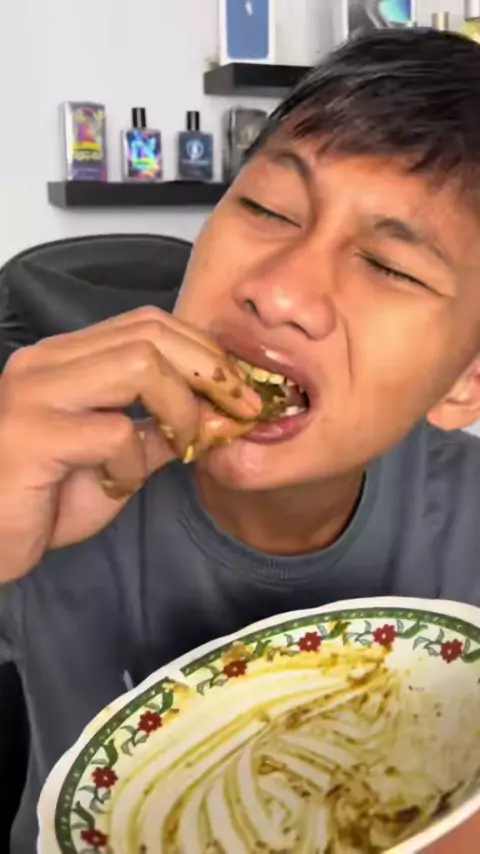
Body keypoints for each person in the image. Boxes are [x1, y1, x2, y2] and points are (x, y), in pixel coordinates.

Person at [1, 27, 480, 854]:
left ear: (465, 381)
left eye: (391, 267)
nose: (280, 291)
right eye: (267, 209)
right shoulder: (37, 469)